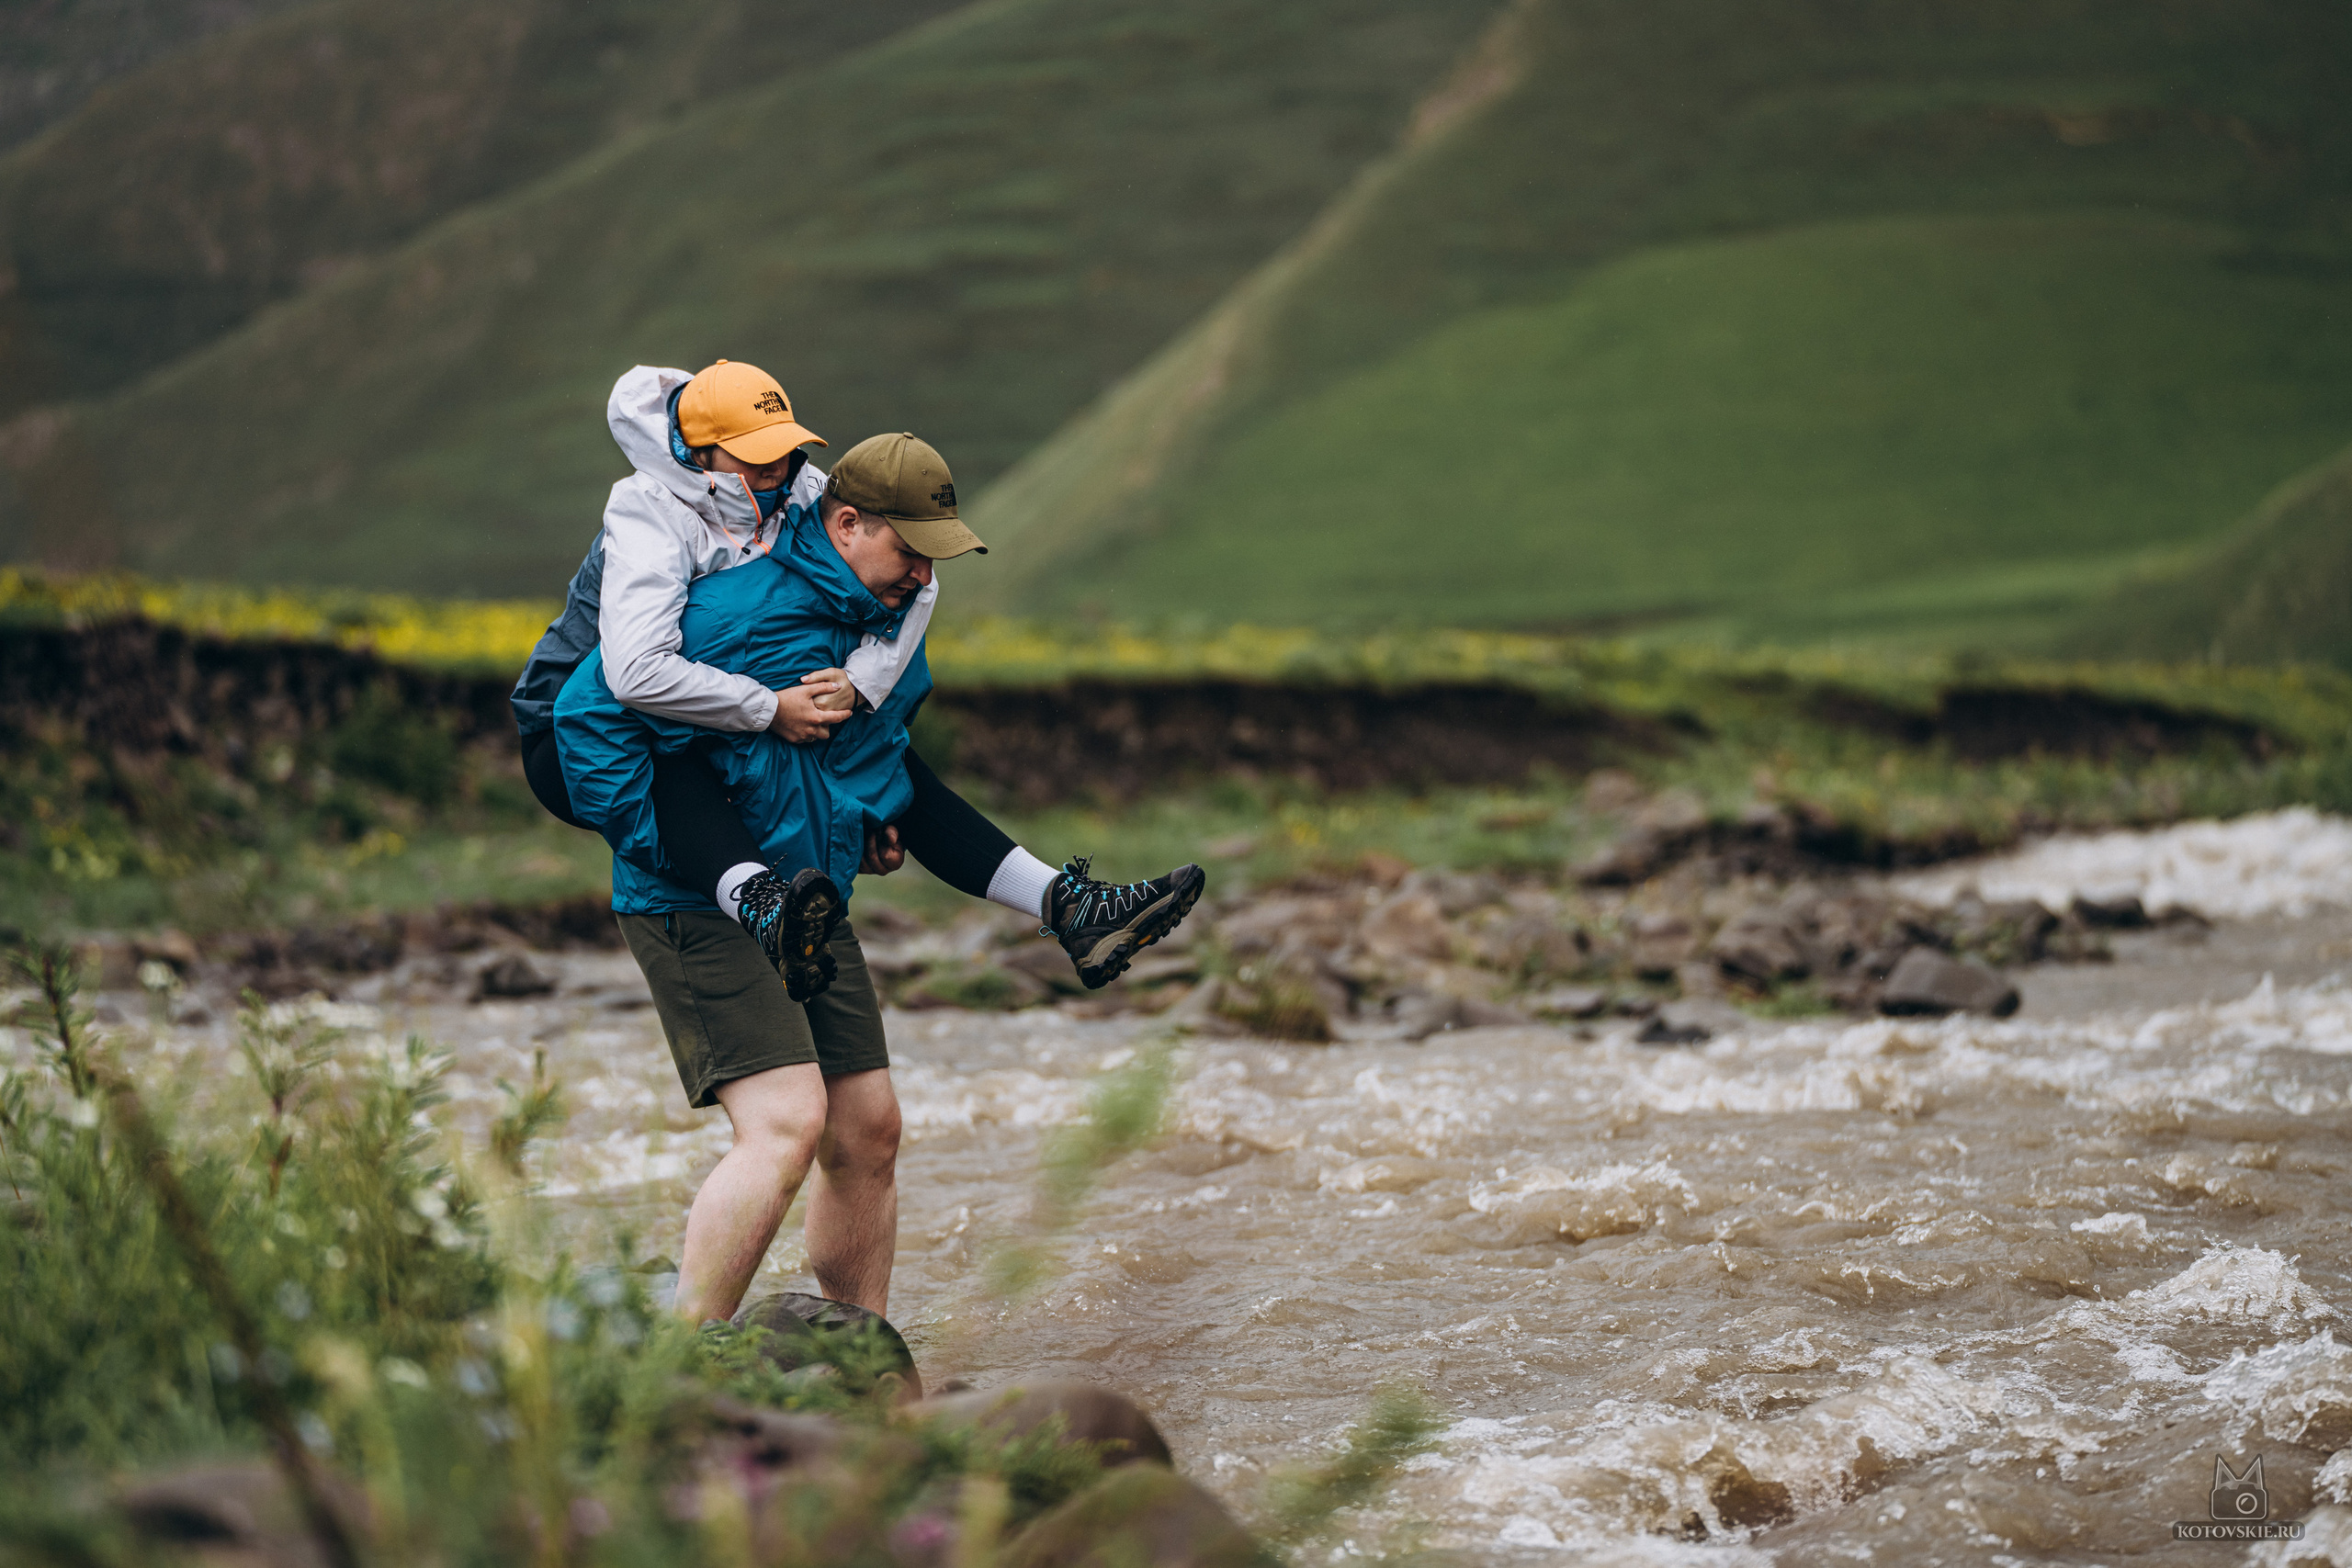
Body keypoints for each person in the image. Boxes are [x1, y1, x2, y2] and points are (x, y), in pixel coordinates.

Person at [555, 433, 1204, 1323]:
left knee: (867, 1129)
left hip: (809, 899)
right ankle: (679, 1375)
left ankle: (864, 1363)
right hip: (695, 901)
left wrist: (864, 827)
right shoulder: (735, 612)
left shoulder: (878, 629)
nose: (922, 576)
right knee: (788, 1123)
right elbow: (598, 720)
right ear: (847, 523)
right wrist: (727, 861)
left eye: (936, 557)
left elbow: (885, 772)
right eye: (909, 551)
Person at [509, 360, 1165, 999]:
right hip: (578, 721)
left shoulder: (799, 487)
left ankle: (1069, 905)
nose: (774, 471)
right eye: (754, 458)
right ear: (699, 451)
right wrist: (769, 708)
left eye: (784, 452)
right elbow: (635, 673)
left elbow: (916, 587)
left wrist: (860, 686)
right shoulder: (645, 511)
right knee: (671, 753)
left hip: (699, 690)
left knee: (883, 755)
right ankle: (762, 905)